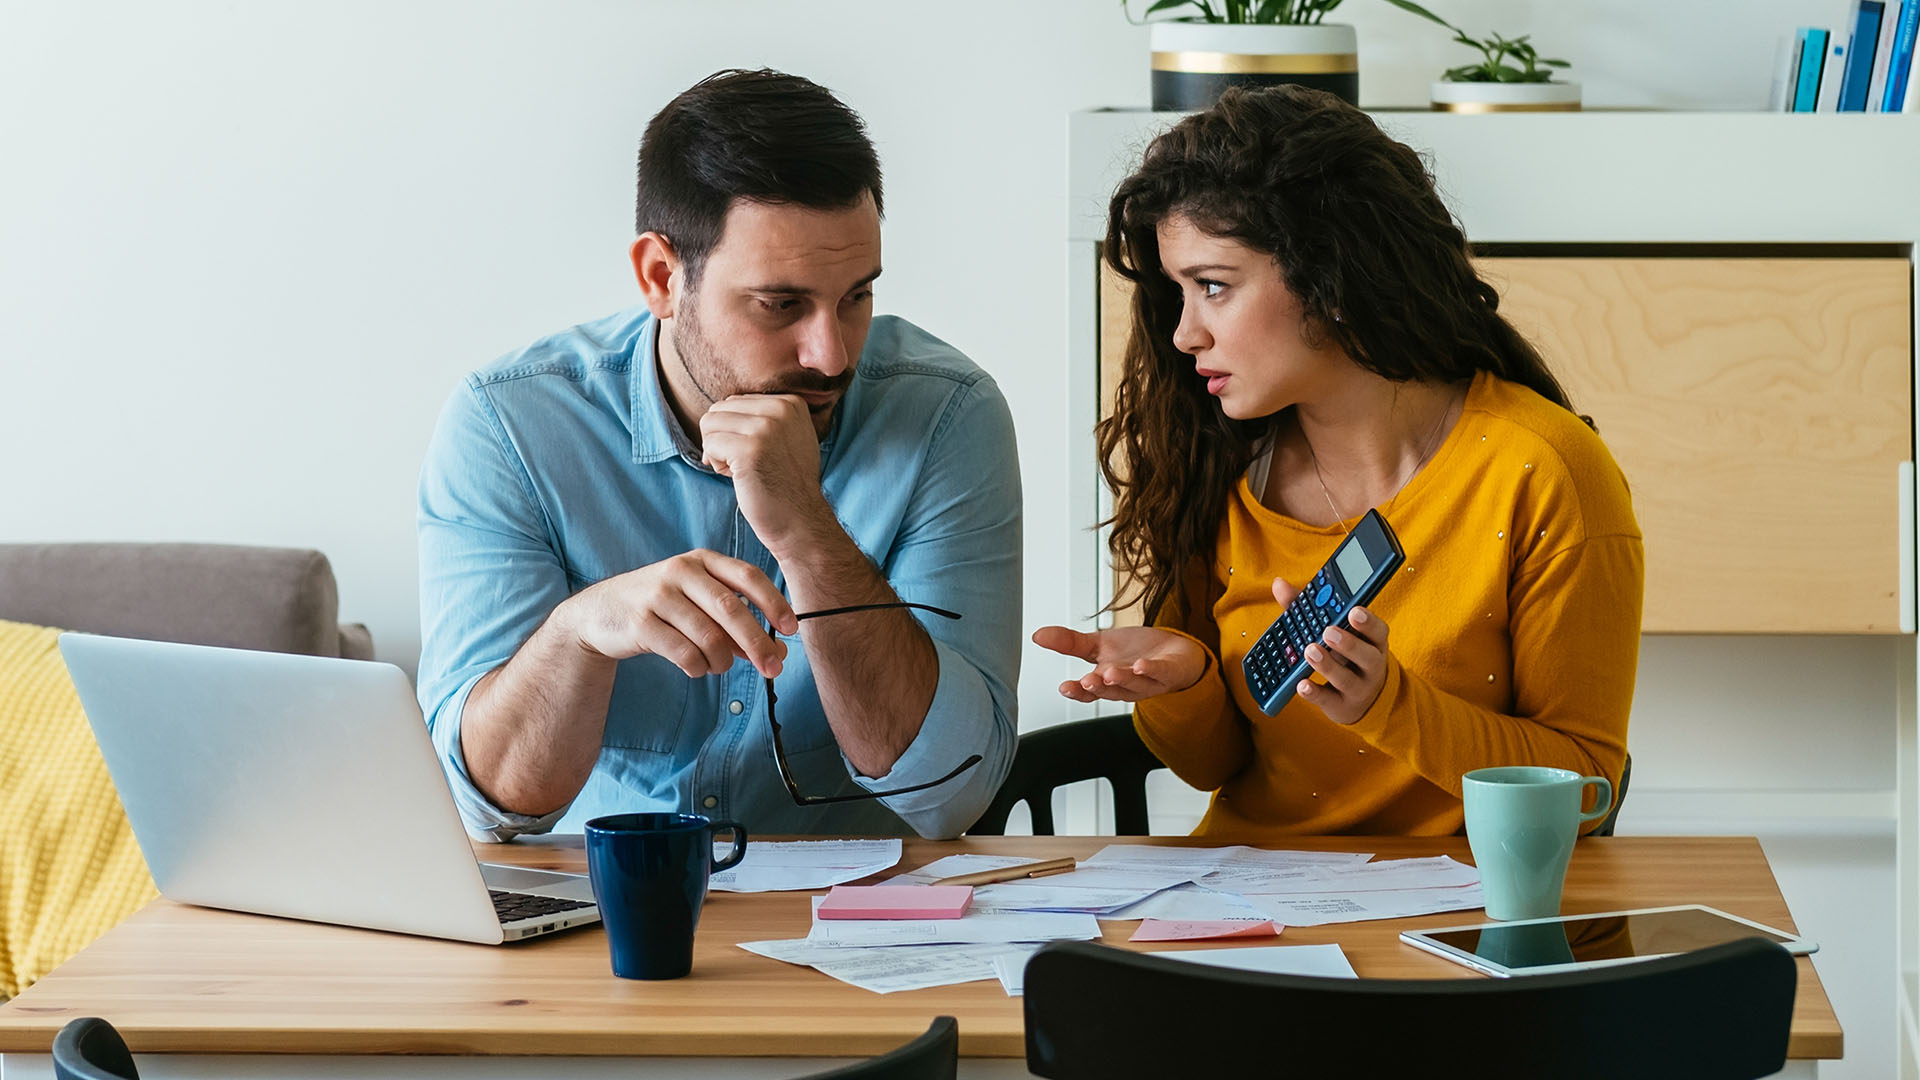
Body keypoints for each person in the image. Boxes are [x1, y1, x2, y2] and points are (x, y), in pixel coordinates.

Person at [416, 69, 1020, 842]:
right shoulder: (510, 425)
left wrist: (808, 531)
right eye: (781, 304)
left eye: (856, 296)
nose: (831, 355)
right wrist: (579, 632)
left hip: (861, 925)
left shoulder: (946, 415)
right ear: (662, 277)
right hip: (590, 922)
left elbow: (949, 796)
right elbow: (491, 805)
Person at [1035, 85, 1641, 837]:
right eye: (1179, 293)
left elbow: (1587, 790)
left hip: (1457, 925)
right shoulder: (1220, 467)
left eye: (1214, 287)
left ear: (1335, 280)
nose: (1185, 333)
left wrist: (1395, 708)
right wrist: (1186, 682)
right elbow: (1213, 767)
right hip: (1250, 916)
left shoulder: (1543, 472)